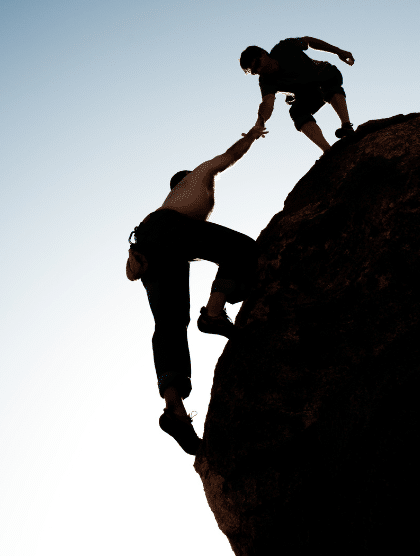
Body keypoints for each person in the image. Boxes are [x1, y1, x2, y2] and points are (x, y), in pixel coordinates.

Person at [126, 125, 267, 455]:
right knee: (244, 249)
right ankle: (214, 313)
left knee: (170, 324)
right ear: (184, 178)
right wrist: (253, 133)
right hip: (169, 234)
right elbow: (227, 157)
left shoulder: (166, 207)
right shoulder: (196, 180)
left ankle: (174, 408)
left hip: (151, 248)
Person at [239, 36, 355, 153]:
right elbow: (267, 103)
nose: (260, 70)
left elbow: (309, 41)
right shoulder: (266, 81)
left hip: (323, 75)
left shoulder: (284, 47)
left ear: (263, 53)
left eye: (258, 64)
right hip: (309, 94)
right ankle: (328, 151)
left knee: (328, 80)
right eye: (255, 71)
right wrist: (260, 122)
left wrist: (339, 51)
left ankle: (346, 126)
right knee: (296, 111)